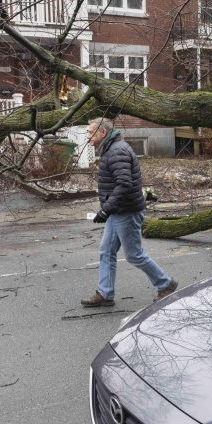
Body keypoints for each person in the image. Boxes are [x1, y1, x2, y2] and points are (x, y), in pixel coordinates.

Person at [80, 117, 177, 307]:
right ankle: (105, 293)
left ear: (103, 133)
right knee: (106, 251)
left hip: (127, 212)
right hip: (118, 211)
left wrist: (105, 210)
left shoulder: (117, 151)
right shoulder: (112, 149)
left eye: (90, 132)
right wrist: (108, 210)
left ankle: (165, 284)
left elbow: (124, 185)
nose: (87, 137)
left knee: (134, 254)